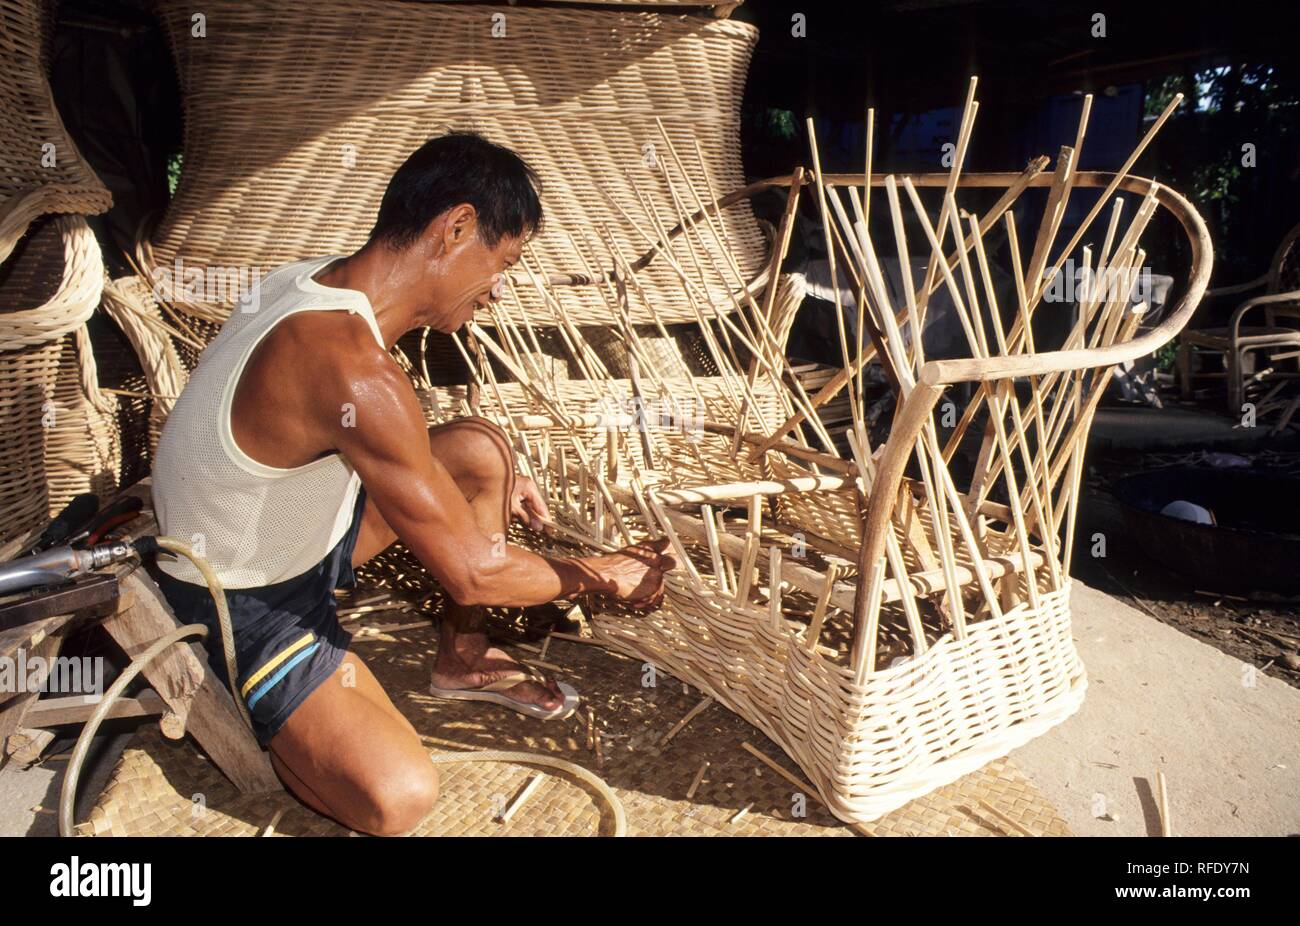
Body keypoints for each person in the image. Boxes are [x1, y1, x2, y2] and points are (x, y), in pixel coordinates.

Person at [151, 132, 674, 835]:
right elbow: (476, 575)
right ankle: (270, 705)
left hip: (275, 532)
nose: (496, 291)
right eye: (502, 263)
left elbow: (368, 437)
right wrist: (602, 575)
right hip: (235, 594)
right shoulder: (350, 367)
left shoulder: (311, 283)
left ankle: (463, 660)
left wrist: (480, 484)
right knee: (398, 795)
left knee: (481, 451)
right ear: (454, 228)